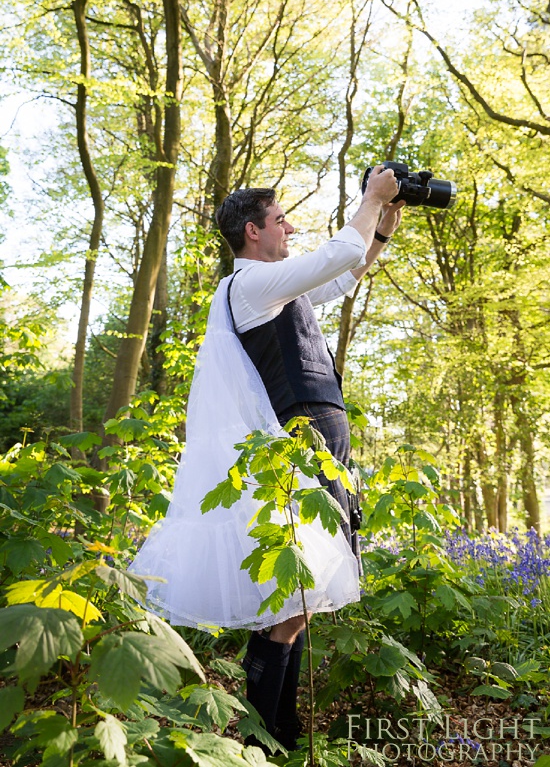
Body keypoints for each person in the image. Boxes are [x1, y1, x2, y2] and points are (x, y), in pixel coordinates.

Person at [129, 166, 403, 751]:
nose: (290, 227)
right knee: (300, 591)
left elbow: (338, 278)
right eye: (280, 219)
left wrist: (378, 233)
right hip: (306, 433)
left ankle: (278, 730)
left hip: (316, 428)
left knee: (300, 591)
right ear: (253, 232)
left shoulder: (274, 286)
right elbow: (335, 255)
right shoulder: (250, 285)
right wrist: (370, 199)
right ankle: (266, 733)